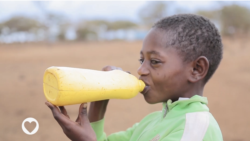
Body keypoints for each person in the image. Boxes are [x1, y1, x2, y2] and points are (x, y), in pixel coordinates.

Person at [45, 14, 223, 141]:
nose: (140, 70)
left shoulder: (196, 128)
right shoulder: (152, 121)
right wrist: (101, 94)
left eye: (154, 61)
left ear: (196, 69)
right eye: (141, 60)